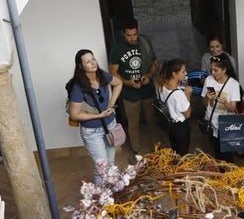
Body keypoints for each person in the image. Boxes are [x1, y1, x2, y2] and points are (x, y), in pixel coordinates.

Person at [67, 48, 123, 185]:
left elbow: (118, 83)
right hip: (92, 132)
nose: (92, 63)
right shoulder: (78, 86)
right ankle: (100, 199)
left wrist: (111, 103)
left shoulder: (102, 75)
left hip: (110, 126)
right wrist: (99, 115)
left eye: (93, 59)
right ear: (81, 66)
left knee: (110, 162)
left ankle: (112, 194)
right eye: (88, 61)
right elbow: (74, 114)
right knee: (102, 167)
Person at [108, 19, 158, 152]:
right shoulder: (117, 49)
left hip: (147, 91)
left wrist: (148, 76)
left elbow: (155, 64)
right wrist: (126, 82)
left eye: (134, 34)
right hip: (129, 94)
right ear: (123, 34)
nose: (132, 38)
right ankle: (137, 151)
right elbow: (113, 72)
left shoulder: (144, 43)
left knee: (152, 121)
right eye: (129, 35)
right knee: (133, 124)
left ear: (138, 31)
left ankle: (157, 149)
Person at [202, 54, 242, 158]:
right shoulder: (208, 80)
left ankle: (228, 173)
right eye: (211, 70)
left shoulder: (233, 84)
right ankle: (220, 172)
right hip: (211, 122)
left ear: (224, 70)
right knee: (217, 152)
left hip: (226, 125)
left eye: (216, 70)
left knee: (227, 155)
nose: (212, 73)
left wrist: (224, 102)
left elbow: (232, 108)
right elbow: (204, 103)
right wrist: (207, 97)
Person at [157, 58, 193, 155]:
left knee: (175, 150)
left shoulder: (162, 85)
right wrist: (188, 96)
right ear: (174, 74)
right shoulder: (178, 94)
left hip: (170, 125)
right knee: (182, 154)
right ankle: (180, 169)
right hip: (180, 127)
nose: (186, 73)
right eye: (183, 72)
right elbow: (187, 114)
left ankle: (174, 168)